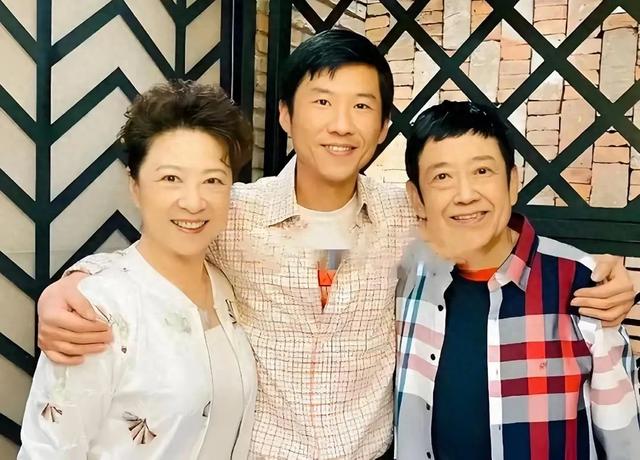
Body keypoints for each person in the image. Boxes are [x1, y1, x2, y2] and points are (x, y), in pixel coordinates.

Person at [35, 30, 637, 459]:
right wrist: (70, 286)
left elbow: (490, 228)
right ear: (286, 117)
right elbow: (160, 248)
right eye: (322, 102)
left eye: (361, 106)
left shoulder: (408, 212)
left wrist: (599, 273)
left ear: (382, 128)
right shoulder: (231, 211)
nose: (341, 124)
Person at [19, 81, 257, 459]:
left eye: (213, 180)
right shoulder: (95, 311)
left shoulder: (226, 286)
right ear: (135, 186)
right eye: (170, 178)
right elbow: (49, 450)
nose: (193, 201)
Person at [395, 101, 640, 459]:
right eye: (442, 177)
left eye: (482, 171)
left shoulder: (582, 284)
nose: (465, 195)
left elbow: (623, 437)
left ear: (512, 183)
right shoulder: (404, 278)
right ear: (416, 199)